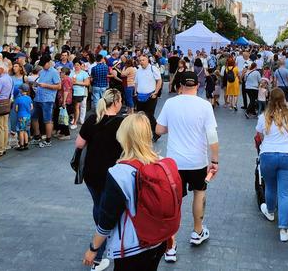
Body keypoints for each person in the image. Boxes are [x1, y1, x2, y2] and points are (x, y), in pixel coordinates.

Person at [82, 113, 171, 270]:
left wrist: (93, 248)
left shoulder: (119, 173)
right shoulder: (163, 163)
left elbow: (107, 218)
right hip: (158, 241)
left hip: (132, 247)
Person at [156, 71, 219, 263]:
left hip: (174, 162)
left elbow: (159, 130)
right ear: (197, 86)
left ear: (179, 86)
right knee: (199, 193)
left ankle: (170, 246)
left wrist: (172, 126)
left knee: (173, 201)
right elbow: (212, 136)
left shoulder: (170, 103)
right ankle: (197, 231)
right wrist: (214, 160)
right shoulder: (205, 105)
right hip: (197, 161)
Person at [76, 88, 124, 271]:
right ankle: (99, 252)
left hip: (92, 172)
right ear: (117, 101)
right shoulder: (123, 122)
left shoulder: (91, 119)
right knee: (110, 209)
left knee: (98, 205)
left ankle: (102, 239)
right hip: (114, 174)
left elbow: (79, 144)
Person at [256, 88, 288, 241]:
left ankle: (269, 212)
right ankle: (283, 230)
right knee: (284, 193)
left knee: (269, 186)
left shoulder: (264, 117)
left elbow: (260, 136)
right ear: (284, 99)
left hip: (268, 155)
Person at [32, 55, 61, 148]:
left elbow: (59, 86)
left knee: (47, 120)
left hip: (48, 99)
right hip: (38, 97)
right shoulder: (42, 71)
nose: (42, 66)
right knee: (34, 117)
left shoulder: (54, 72)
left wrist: (46, 85)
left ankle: (48, 140)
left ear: (48, 63)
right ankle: (37, 137)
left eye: (44, 64)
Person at [134, 55, 162, 142]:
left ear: (147, 61)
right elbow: (136, 82)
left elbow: (159, 80)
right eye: (140, 60)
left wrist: (156, 92)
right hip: (140, 96)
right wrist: (135, 92)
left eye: (143, 60)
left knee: (149, 116)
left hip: (150, 96)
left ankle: (157, 133)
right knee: (140, 116)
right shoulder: (138, 70)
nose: (141, 62)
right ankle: (143, 134)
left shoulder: (153, 69)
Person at [70, 60, 90, 128]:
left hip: (79, 92)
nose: (76, 66)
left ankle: (75, 122)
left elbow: (87, 83)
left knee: (77, 107)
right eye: (75, 65)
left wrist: (77, 82)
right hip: (71, 92)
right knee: (73, 107)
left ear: (80, 66)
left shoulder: (84, 73)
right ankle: (74, 119)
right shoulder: (71, 72)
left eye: (78, 65)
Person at [14, 84, 33, 151]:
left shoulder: (18, 99)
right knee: (25, 130)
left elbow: (16, 109)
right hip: (28, 116)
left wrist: (18, 112)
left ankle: (21, 145)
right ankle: (26, 144)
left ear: (21, 90)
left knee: (21, 131)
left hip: (21, 116)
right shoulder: (29, 98)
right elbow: (31, 107)